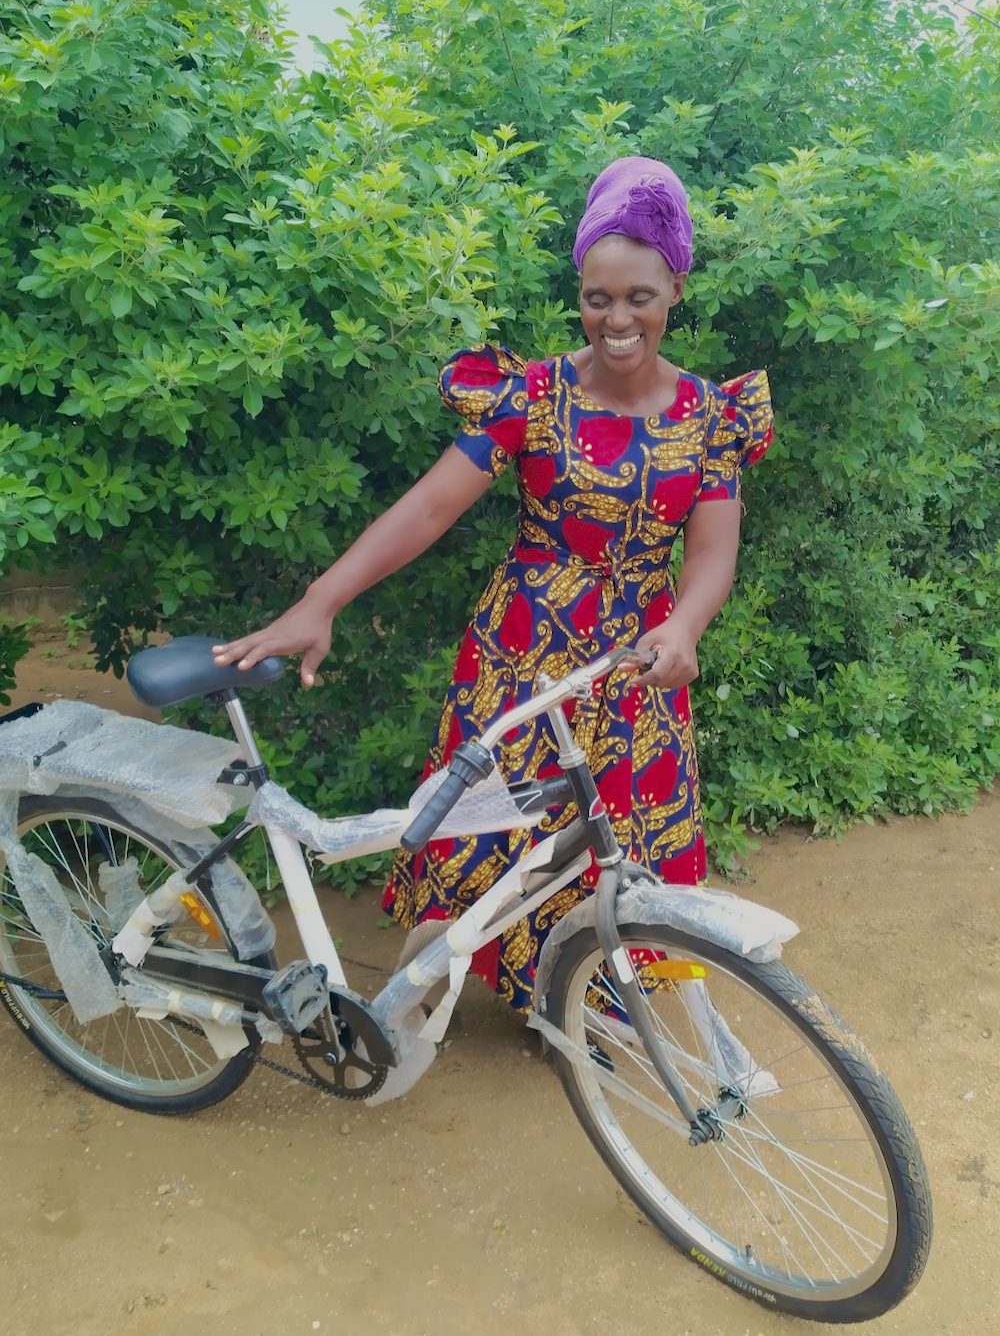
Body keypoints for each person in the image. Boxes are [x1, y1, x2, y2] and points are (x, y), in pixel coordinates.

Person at [214, 156, 773, 1010]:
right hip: (521, 659)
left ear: (675, 291)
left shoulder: (711, 416)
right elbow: (431, 509)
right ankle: (425, 992)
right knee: (488, 835)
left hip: (637, 670)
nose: (616, 319)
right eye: (597, 297)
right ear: (579, 294)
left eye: (638, 298)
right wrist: (319, 601)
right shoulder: (534, 396)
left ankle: (588, 1003)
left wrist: (687, 626)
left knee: (615, 844)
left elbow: (712, 552)